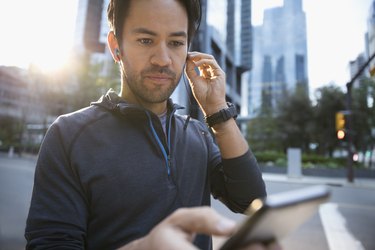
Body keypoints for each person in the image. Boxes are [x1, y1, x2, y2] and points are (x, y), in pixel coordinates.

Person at [25, 0, 267, 249]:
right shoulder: (68, 135)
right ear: (115, 46)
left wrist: (217, 110)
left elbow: (251, 201)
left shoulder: (197, 134)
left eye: (175, 43)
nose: (163, 59)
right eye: (145, 40)